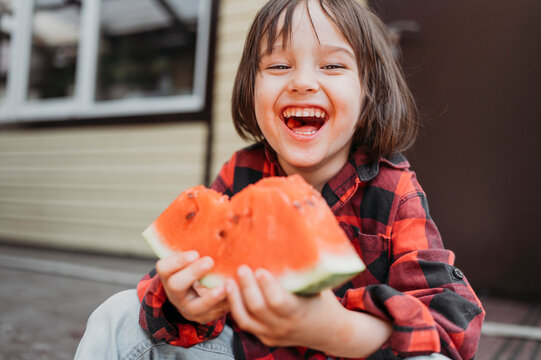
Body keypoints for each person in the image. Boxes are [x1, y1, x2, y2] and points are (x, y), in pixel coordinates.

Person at [75, 0, 485, 359]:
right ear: (251, 90)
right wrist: (184, 304)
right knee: (120, 314)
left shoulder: (394, 190)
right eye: (278, 65)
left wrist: (338, 330)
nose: (302, 81)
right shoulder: (241, 175)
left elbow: (453, 321)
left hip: (355, 355)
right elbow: (172, 281)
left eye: (331, 65)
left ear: (368, 92)